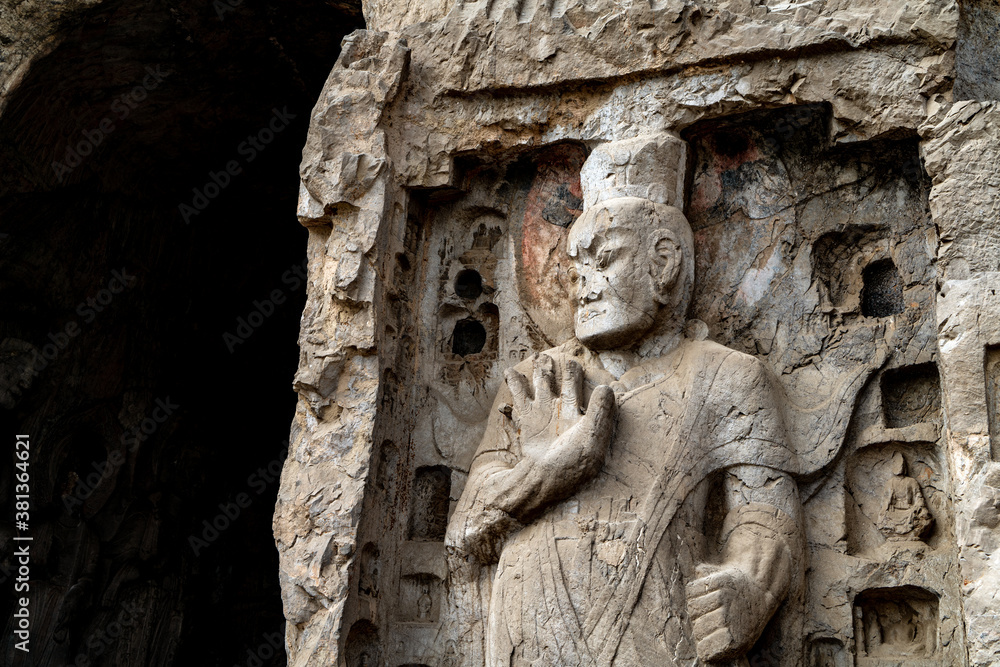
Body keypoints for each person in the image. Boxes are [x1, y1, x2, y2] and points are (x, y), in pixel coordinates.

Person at [446, 195, 803, 666]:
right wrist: (552, 468)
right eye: (577, 271)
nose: (584, 288)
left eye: (605, 259)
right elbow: (467, 533)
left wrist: (750, 588)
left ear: (664, 262)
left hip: (654, 628)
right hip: (529, 632)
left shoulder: (727, 376)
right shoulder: (536, 380)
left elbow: (763, 518)